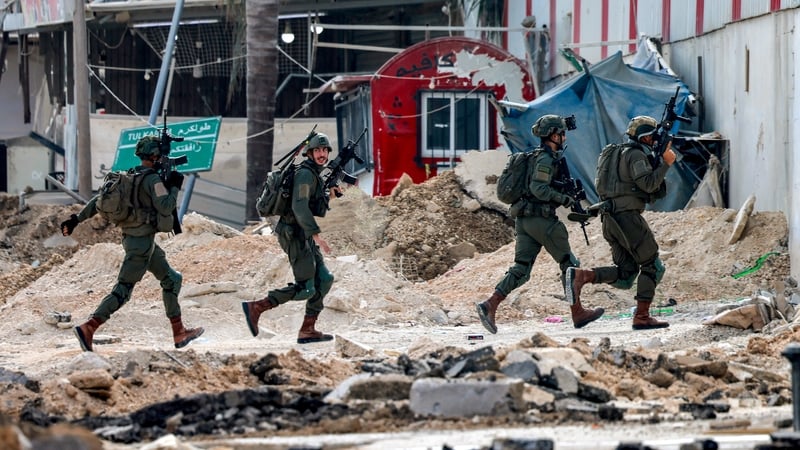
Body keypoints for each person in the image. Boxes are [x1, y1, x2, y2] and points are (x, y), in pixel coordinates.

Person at [61, 136, 204, 351]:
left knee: (172, 279)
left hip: (136, 240)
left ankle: (179, 332)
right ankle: (89, 327)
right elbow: (165, 207)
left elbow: (97, 201)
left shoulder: (129, 175)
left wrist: (76, 219)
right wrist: (174, 186)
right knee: (123, 290)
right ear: (154, 156)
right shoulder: (153, 181)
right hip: (141, 245)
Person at [476, 114, 604, 334]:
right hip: (542, 220)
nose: (564, 137)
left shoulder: (537, 157)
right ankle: (578, 312)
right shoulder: (545, 159)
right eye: (561, 133)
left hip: (525, 221)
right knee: (570, 265)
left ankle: (490, 305)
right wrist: (565, 199)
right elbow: (539, 189)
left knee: (521, 269)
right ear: (553, 135)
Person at [565, 115, 676, 330]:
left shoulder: (614, 152)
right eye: (652, 137)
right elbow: (649, 184)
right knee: (652, 265)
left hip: (609, 219)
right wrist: (665, 163)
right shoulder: (635, 155)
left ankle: (582, 276)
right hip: (627, 219)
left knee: (626, 273)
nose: (654, 140)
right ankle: (642, 317)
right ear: (644, 138)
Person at [242, 133, 339, 344]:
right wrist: (316, 234)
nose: (322, 154)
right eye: (317, 151)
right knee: (306, 288)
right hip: (293, 234)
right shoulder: (305, 174)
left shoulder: (314, 174)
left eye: (324, 151)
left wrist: (330, 195)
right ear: (310, 153)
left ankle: (308, 329)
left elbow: (314, 207)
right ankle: (257, 307)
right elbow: (299, 207)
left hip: (302, 233)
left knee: (324, 279)